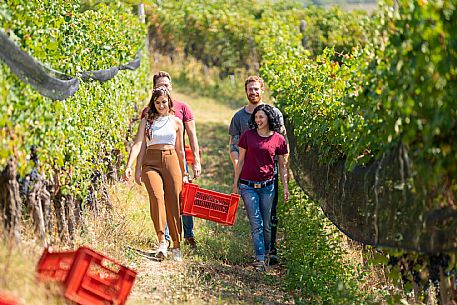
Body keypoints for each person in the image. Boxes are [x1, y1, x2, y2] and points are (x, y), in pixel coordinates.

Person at [135, 71, 201, 249]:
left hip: (177, 157)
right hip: (154, 158)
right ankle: (164, 239)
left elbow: (191, 136)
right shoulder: (148, 112)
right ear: (154, 89)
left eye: (166, 85)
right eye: (159, 86)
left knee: (179, 200)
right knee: (159, 197)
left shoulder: (183, 108)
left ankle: (187, 234)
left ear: (171, 87)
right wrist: (136, 166)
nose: (163, 88)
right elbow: (141, 141)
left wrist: (195, 160)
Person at [228, 75, 288, 264]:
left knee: (270, 215)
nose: (253, 92)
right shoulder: (239, 117)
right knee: (256, 220)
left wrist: (285, 174)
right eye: (249, 89)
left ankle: (271, 251)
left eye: (256, 89)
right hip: (248, 174)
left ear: (262, 90)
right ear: (246, 91)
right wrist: (239, 167)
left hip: (270, 173)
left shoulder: (274, 113)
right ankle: (260, 255)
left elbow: (283, 144)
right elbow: (233, 146)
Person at [125, 86, 188, 261]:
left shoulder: (176, 122)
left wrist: (184, 172)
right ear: (153, 103)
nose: (161, 105)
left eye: (164, 102)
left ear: (169, 102)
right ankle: (162, 241)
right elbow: (139, 144)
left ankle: (176, 244)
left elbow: (180, 150)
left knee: (173, 201)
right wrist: (131, 166)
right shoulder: (147, 120)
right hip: (150, 162)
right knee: (156, 196)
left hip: (171, 160)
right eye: (157, 102)